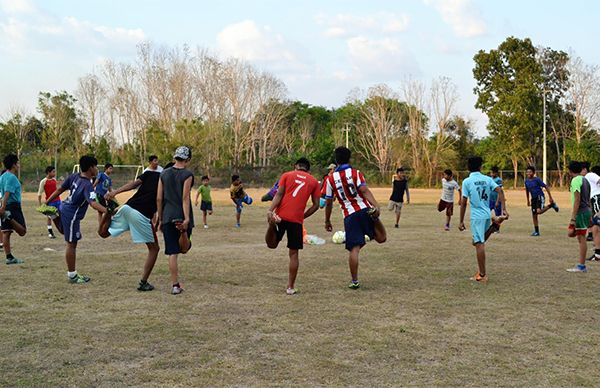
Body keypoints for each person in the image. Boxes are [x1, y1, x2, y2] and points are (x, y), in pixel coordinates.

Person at [324, 147, 387, 289]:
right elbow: (364, 190)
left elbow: (328, 202)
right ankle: (374, 221)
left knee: (354, 249)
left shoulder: (330, 179)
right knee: (382, 238)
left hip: (349, 215)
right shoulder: (355, 173)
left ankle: (354, 281)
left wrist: (327, 220)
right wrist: (376, 206)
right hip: (365, 210)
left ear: (336, 160)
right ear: (349, 158)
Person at [45, 155, 108, 284]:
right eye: (96, 166)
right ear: (91, 168)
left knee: (65, 233)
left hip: (64, 207)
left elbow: (60, 189)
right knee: (72, 244)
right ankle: (72, 275)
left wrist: (48, 201)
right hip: (72, 214)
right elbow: (93, 203)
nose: (97, 169)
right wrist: (108, 211)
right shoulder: (87, 184)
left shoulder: (74, 176)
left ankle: (54, 216)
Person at [98, 167, 161, 291]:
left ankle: (108, 212)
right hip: (141, 215)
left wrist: (114, 192)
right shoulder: (168, 182)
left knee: (104, 234)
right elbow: (160, 201)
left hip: (128, 207)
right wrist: (159, 221)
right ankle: (143, 283)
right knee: (154, 249)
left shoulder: (149, 174)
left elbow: (133, 185)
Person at [265, 157, 320, 295]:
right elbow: (316, 205)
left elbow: (279, 194)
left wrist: (270, 210)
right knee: (294, 254)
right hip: (296, 220)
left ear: (296, 166)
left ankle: (272, 225)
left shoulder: (287, 175)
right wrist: (303, 216)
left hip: (281, 216)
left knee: (271, 244)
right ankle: (290, 287)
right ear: (308, 170)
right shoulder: (313, 181)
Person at [459, 156, 508, 283]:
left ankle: (482, 274)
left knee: (479, 244)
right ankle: (494, 226)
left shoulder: (467, 181)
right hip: (487, 214)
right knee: (477, 241)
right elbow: (500, 191)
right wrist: (504, 209)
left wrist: (461, 221)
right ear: (480, 166)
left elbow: (463, 202)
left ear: (468, 167)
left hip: (477, 216)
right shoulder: (487, 179)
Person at [156, 146, 194, 295]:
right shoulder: (187, 174)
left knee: (173, 252)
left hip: (167, 216)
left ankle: (175, 285)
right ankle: (183, 232)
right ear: (188, 160)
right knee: (184, 248)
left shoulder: (163, 173)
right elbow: (185, 197)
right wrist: (186, 218)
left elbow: (159, 198)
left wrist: (159, 218)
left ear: (175, 157)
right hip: (180, 214)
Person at [0, 154, 27, 264]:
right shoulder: (12, 177)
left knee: (6, 232)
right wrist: (3, 207)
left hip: (5, 205)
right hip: (12, 206)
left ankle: (9, 257)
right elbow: (7, 192)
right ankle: (9, 217)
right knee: (22, 231)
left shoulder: (2, 176)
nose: (19, 165)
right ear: (13, 164)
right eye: (18, 163)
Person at [566, 161, 592, 273]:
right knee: (572, 233)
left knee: (581, 238)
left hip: (580, 212)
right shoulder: (585, 179)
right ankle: (581, 265)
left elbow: (577, 199)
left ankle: (581, 266)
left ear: (570, 171)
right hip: (586, 211)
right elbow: (589, 198)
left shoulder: (575, 180)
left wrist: (573, 217)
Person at [525, 166, 558, 236]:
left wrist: (550, 197)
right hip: (533, 199)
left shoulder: (537, 180)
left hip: (539, 196)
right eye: (527, 172)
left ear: (533, 173)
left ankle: (551, 205)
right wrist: (528, 200)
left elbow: (546, 186)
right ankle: (536, 232)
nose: (528, 173)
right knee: (534, 215)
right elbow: (527, 191)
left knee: (538, 211)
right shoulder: (526, 181)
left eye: (530, 172)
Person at [38, 166, 61, 239]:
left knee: (60, 215)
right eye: (53, 171)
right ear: (48, 172)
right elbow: (39, 193)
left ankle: (62, 229)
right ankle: (50, 232)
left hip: (58, 201)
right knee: (49, 217)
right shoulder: (43, 181)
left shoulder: (54, 180)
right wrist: (40, 205)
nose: (55, 173)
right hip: (50, 202)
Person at [587, 165, 600, 261]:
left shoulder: (590, 175)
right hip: (594, 200)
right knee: (595, 227)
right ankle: (598, 254)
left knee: (597, 225)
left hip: (597, 199)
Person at [581, 162, 597, 242]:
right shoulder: (585, 178)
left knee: (597, 218)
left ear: (584, 169)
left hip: (597, 198)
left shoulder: (590, 175)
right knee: (591, 216)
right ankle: (591, 234)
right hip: (591, 199)